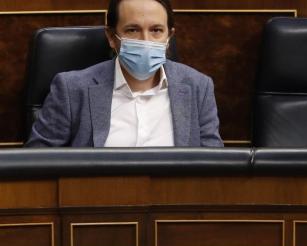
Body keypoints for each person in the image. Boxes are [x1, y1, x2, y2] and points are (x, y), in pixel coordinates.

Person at [26, 0, 223, 147]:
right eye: (132, 30)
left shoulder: (198, 87)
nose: (146, 41)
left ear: (169, 37)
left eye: (156, 30)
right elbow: (37, 163)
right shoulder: (71, 89)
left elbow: (212, 168)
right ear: (112, 37)